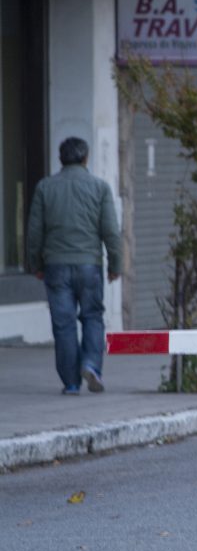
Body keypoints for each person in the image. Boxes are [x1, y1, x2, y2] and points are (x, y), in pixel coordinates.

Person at [27, 137, 122, 395]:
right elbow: (111, 231)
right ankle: (91, 365)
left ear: (61, 159)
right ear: (86, 158)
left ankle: (70, 382)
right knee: (92, 316)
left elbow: (34, 231)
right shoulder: (100, 188)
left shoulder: (45, 187)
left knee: (64, 323)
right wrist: (115, 264)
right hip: (89, 265)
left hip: (56, 266)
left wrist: (35, 264)